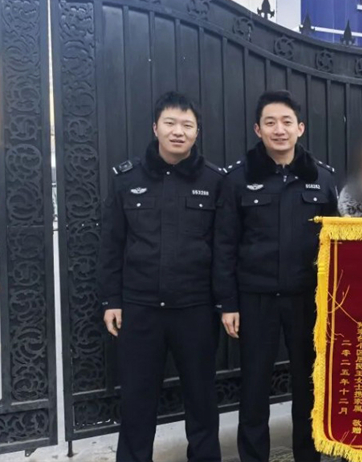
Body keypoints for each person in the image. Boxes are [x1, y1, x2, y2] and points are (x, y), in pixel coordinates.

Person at [98, 91, 225, 462]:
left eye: (187, 125)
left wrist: (224, 303)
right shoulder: (127, 178)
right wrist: (111, 300)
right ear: (156, 127)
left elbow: (223, 248)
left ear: (197, 132)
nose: (178, 131)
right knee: (137, 401)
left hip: (195, 309)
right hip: (140, 309)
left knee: (202, 399)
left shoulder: (214, 180)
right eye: (170, 123)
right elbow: (111, 244)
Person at [214, 90, 338, 462]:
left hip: (307, 299)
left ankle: (308, 456)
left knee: (309, 386)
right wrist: (228, 303)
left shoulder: (323, 179)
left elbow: (338, 242)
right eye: (270, 122)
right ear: (258, 129)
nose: (279, 130)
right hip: (256, 299)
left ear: (301, 128)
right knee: (254, 388)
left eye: (286, 122)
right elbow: (225, 244)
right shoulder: (237, 179)